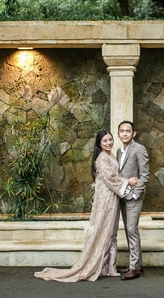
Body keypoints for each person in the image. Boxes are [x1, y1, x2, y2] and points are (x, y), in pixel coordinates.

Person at [34, 130, 137, 282]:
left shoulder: (110, 155)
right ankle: (98, 265)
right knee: (103, 230)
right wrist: (128, 182)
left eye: (110, 139)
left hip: (112, 197)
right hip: (105, 199)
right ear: (99, 143)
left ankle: (109, 267)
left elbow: (114, 177)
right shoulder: (102, 158)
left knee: (111, 232)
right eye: (105, 141)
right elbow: (111, 178)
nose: (109, 142)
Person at [115, 120, 150, 281]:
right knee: (129, 230)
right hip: (123, 195)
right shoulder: (118, 151)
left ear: (133, 134)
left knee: (131, 229)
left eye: (127, 131)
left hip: (134, 197)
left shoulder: (139, 149)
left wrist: (136, 194)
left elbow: (145, 174)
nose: (125, 133)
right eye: (122, 131)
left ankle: (134, 268)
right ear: (118, 134)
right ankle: (137, 264)